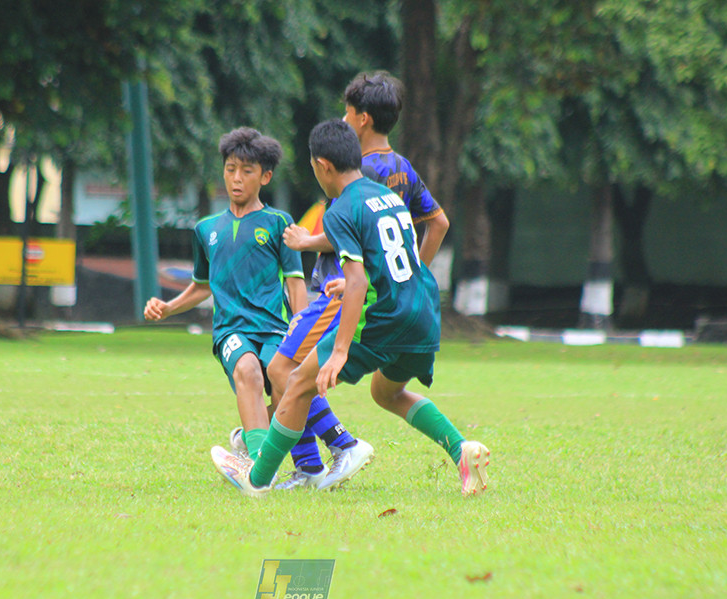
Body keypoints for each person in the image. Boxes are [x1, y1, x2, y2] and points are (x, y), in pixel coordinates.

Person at [211, 118, 490, 497]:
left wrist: (339, 351)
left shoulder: (342, 209)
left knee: (295, 383)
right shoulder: (387, 195)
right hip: (423, 313)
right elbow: (395, 259)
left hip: (382, 320)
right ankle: (462, 449)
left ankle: (257, 480)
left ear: (323, 166)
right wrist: (357, 281)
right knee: (386, 393)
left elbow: (357, 282)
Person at [265, 70, 450, 490]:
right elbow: (437, 223)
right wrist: (410, 275)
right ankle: (312, 459)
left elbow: (347, 228)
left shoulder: (354, 170)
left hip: (350, 294)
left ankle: (325, 453)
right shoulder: (403, 168)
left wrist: (306, 241)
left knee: (283, 370)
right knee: (367, 389)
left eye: (347, 113)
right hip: (385, 297)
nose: (343, 121)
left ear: (362, 119)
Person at [144, 128, 307, 452]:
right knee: (247, 370)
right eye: (230, 169)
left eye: (247, 171)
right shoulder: (206, 229)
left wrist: (301, 337)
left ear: (265, 176)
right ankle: (260, 469)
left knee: (287, 390)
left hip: (275, 329)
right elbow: (202, 286)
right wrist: (168, 306)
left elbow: (295, 282)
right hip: (231, 330)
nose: (236, 178)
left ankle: (250, 441)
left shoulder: (279, 223)